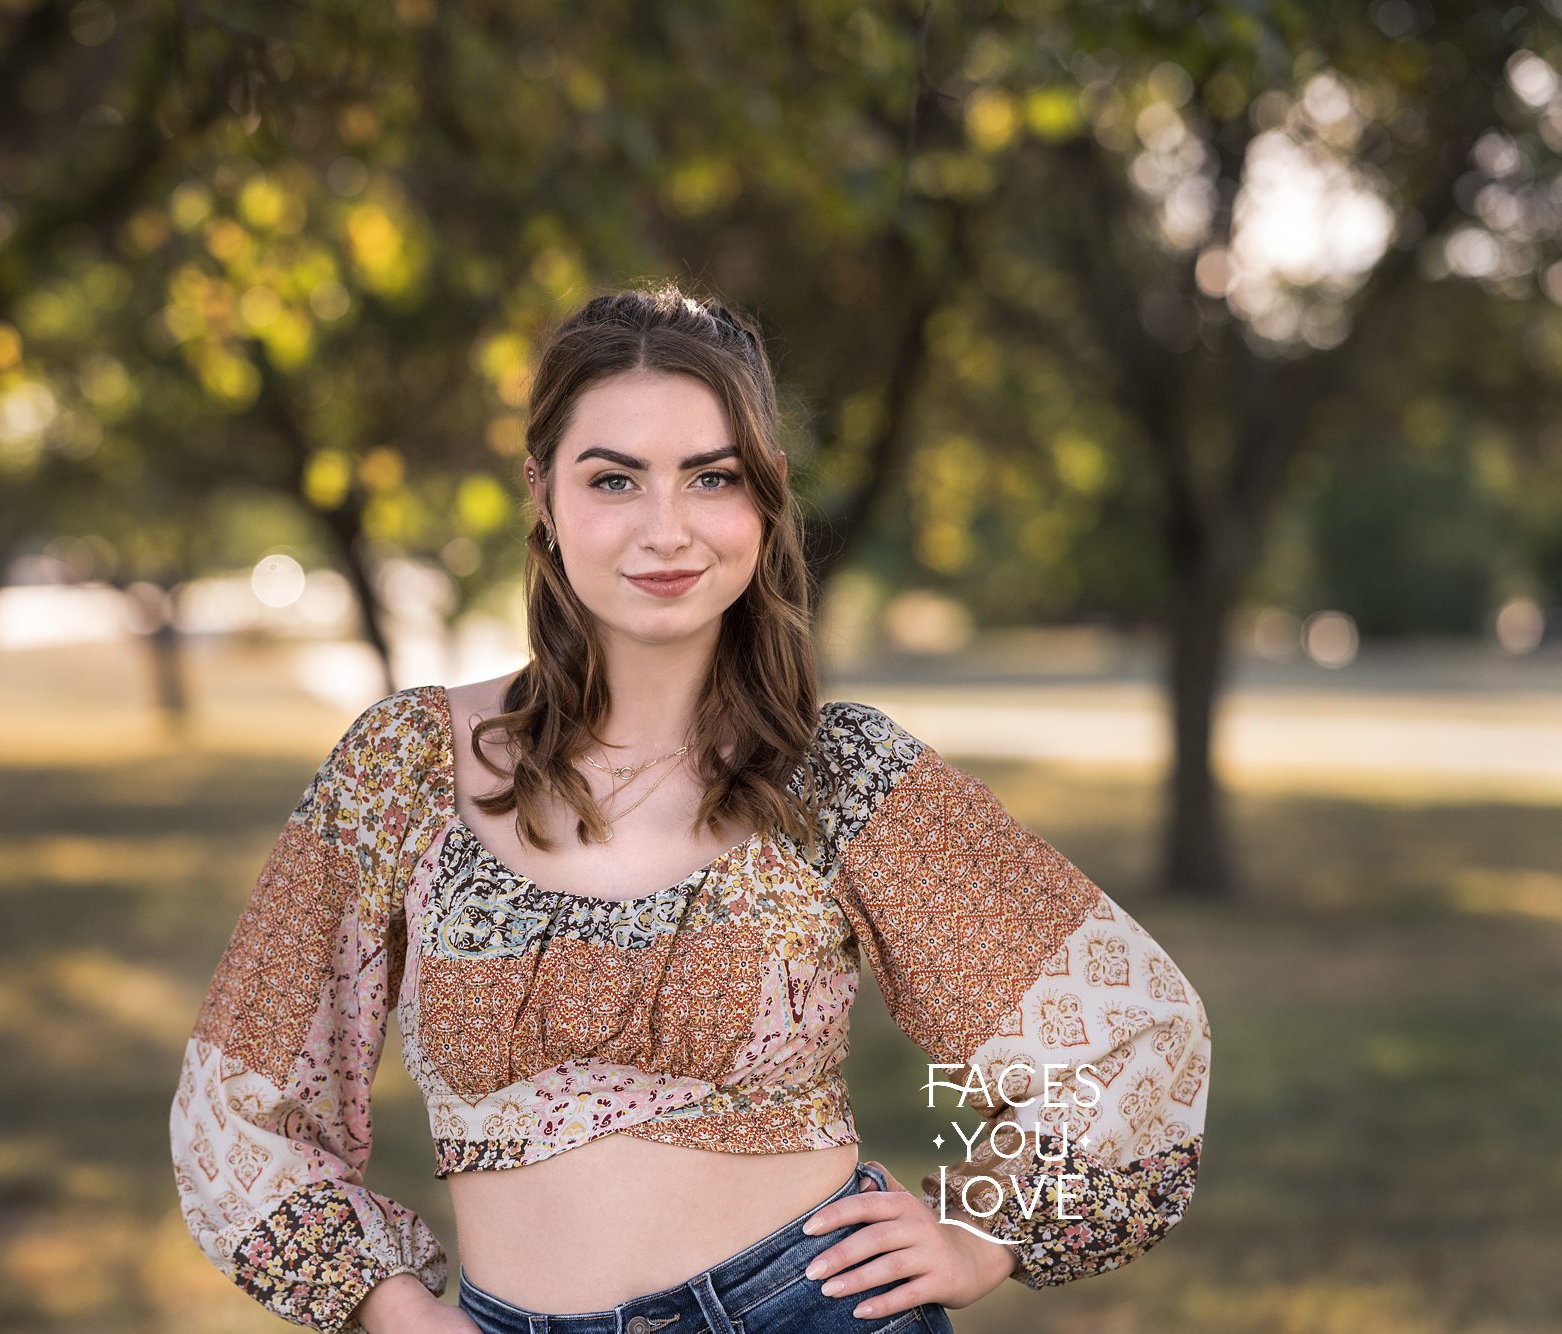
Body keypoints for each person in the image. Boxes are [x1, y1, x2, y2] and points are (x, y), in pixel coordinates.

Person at [169, 284, 1212, 1334]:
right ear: (542, 494)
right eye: (613, 478)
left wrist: (977, 1230)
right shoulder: (404, 767)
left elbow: (1134, 1041)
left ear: (763, 497)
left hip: (809, 1310)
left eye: (709, 476)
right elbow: (237, 1105)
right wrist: (393, 1309)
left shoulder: (837, 775)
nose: (664, 530)